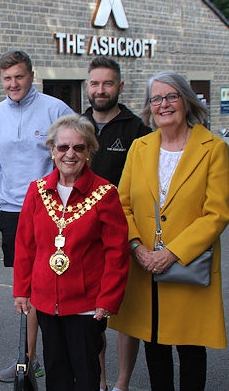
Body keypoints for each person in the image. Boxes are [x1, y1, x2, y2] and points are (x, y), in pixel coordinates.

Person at [108, 71, 229, 390]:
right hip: (144, 263)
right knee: (154, 343)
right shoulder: (140, 147)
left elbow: (216, 213)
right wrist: (137, 248)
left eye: (171, 96)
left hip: (187, 263)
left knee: (190, 347)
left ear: (186, 101)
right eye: (156, 98)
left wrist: (171, 254)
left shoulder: (213, 149)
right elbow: (122, 204)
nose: (164, 104)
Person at [13, 114, 130, 391]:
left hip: (87, 303)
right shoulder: (37, 190)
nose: (70, 154)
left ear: (89, 151)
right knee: (55, 368)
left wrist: (108, 299)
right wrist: (22, 290)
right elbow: (25, 245)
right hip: (45, 300)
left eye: (79, 147)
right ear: (52, 150)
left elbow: (117, 253)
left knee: (86, 371)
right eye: (63, 147)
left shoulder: (105, 193)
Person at [0, 50, 74, 382]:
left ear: (31, 76)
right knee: (27, 287)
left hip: (51, 211)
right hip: (12, 210)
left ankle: (64, 356)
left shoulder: (55, 109)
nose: (13, 83)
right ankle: (29, 359)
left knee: (57, 281)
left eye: (19, 76)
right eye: (7, 78)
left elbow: (72, 155)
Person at [82, 56, 151, 391]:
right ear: (87, 86)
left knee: (124, 315)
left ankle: (122, 383)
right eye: (95, 83)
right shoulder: (76, 125)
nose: (101, 89)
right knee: (93, 316)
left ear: (120, 87)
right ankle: (101, 382)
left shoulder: (137, 130)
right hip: (82, 236)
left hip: (122, 234)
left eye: (108, 83)